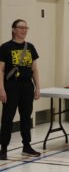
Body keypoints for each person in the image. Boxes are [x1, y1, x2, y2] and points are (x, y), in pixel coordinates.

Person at [0, 19, 41, 160]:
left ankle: (27, 146)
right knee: (7, 118)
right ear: (13, 30)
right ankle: (3, 148)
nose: (24, 30)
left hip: (27, 86)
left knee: (26, 117)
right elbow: (1, 71)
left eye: (26, 27)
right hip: (11, 86)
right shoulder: (5, 47)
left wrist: (37, 88)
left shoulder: (30, 47)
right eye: (21, 27)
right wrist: (1, 89)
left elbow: (34, 69)